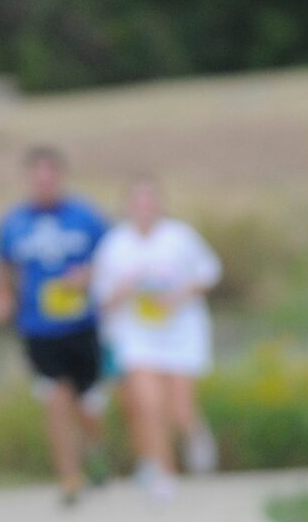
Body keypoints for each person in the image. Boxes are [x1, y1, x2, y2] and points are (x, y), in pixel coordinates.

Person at [0, 148, 113, 506]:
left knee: (87, 404)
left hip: (82, 325)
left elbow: (116, 256)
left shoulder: (86, 216)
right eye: (36, 176)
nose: (43, 182)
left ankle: (95, 451)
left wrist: (88, 276)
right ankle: (69, 477)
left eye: (50, 175)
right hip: (38, 328)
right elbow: (0, 265)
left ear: (60, 177)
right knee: (55, 400)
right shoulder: (13, 222)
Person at [93, 177, 224, 500]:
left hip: (180, 332)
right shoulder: (115, 245)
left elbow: (210, 271)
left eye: (150, 200)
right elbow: (101, 297)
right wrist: (122, 292)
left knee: (179, 410)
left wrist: (180, 294)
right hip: (136, 336)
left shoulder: (179, 237)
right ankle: (162, 473)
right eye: (137, 201)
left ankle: (193, 433)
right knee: (148, 405)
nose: (144, 208)